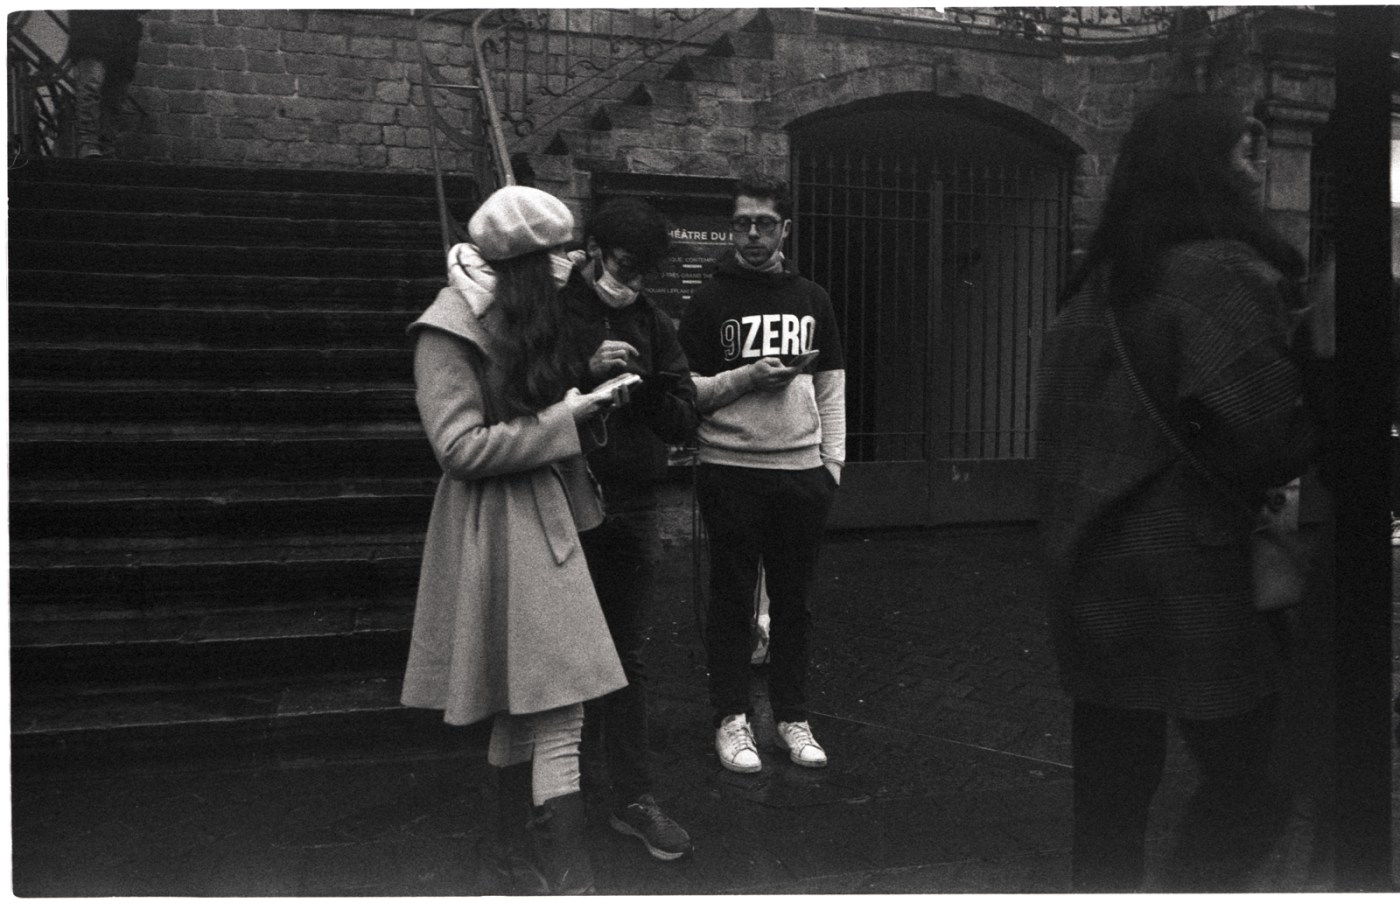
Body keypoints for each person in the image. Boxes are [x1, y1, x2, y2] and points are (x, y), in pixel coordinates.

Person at [1035, 93, 1328, 892]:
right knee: (1257, 785)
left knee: (1109, 806)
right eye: (1243, 150)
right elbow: (1266, 439)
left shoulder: (1090, 289)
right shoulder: (1219, 274)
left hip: (1091, 577)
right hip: (1190, 582)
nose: (1256, 166)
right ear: (1201, 165)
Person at [400, 185, 627, 895]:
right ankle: (572, 881)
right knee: (559, 704)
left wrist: (583, 391)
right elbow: (459, 448)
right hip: (497, 531)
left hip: (537, 519)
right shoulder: (447, 328)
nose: (570, 268)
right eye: (558, 255)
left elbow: (524, 397)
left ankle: (511, 860)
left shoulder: (516, 313)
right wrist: (567, 417)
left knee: (528, 701)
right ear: (526, 262)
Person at [677, 174, 846, 774]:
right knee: (730, 601)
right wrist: (747, 378)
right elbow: (686, 391)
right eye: (743, 223)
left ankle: (792, 716)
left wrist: (832, 464)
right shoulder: (709, 300)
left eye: (765, 224)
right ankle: (732, 719)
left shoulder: (813, 298)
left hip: (801, 473)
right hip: (729, 468)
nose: (752, 235)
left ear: (784, 229)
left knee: (794, 603)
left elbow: (830, 386)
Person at [558, 196, 699, 861]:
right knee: (559, 652)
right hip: (563, 498)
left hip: (636, 501)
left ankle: (632, 797)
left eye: (644, 271)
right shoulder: (556, 312)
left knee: (627, 656)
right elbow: (517, 393)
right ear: (592, 250)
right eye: (623, 265)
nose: (632, 281)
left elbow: (682, 415)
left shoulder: (652, 322)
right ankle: (558, 796)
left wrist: (641, 387)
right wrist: (582, 376)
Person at [67, 10, 143, 159]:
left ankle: (104, 145)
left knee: (114, 97)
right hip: (93, 33)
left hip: (121, 38)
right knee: (91, 87)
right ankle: (89, 143)